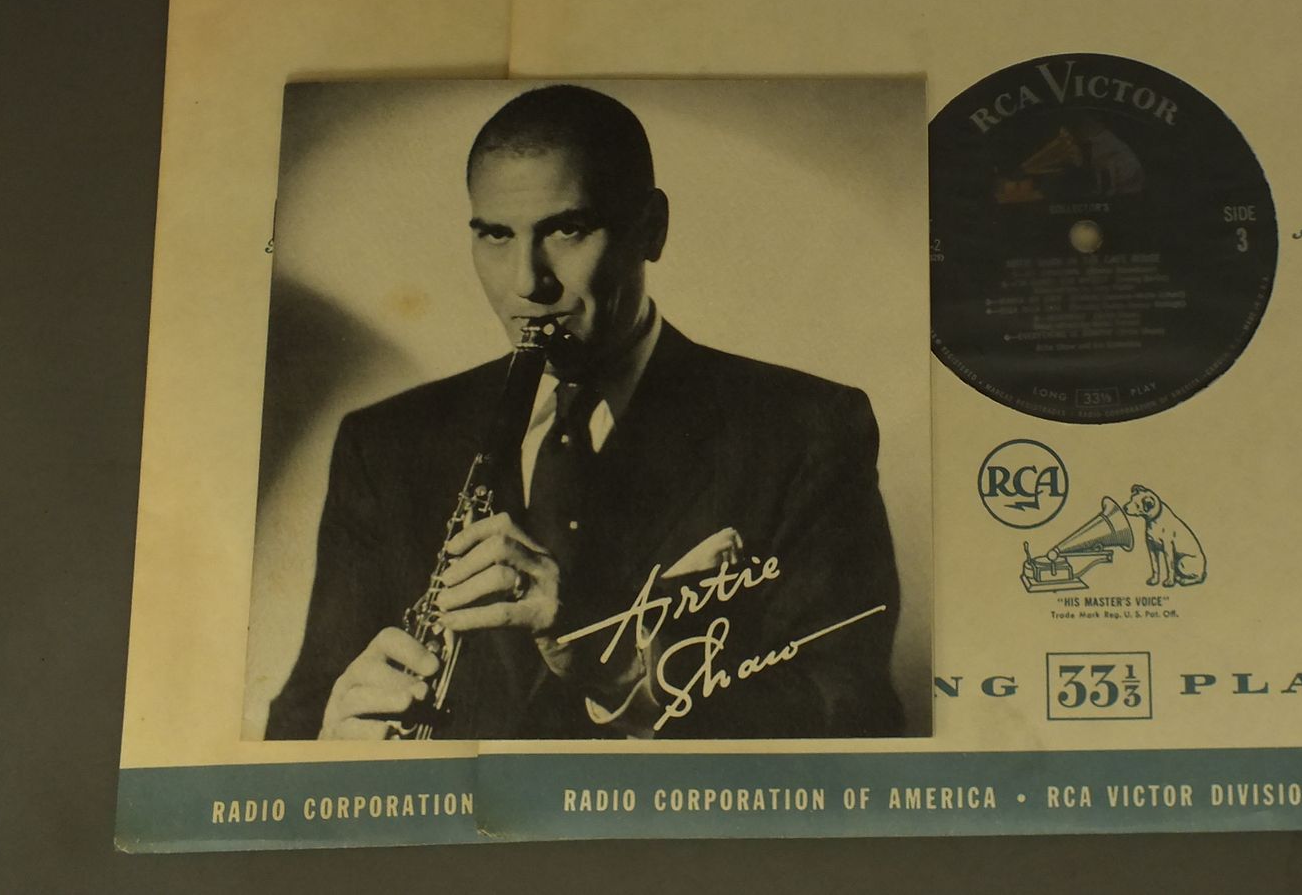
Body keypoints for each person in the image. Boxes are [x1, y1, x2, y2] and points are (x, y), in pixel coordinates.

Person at [265, 84, 903, 740]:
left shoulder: (807, 428)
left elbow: (851, 716)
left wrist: (619, 665)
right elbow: (299, 716)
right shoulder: (383, 443)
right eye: (495, 235)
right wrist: (332, 740)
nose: (527, 282)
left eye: (566, 230)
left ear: (651, 228)